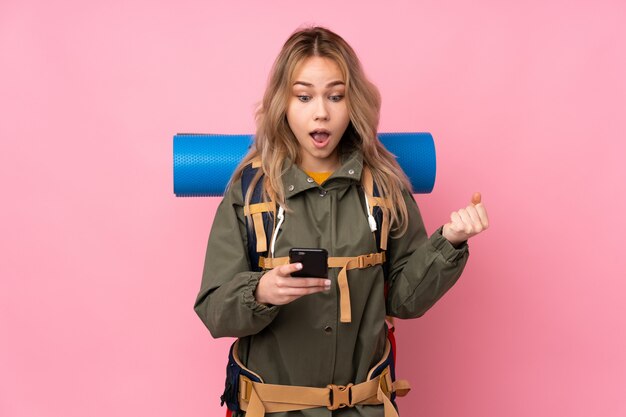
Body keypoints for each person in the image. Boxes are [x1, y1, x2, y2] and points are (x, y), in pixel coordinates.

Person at [194, 26, 489, 417]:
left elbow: (404, 299)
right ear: (283, 102)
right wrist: (261, 290)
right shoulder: (251, 192)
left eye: (336, 96)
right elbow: (214, 309)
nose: (321, 112)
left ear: (354, 103)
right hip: (271, 411)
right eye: (304, 97)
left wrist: (448, 243)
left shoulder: (384, 186)